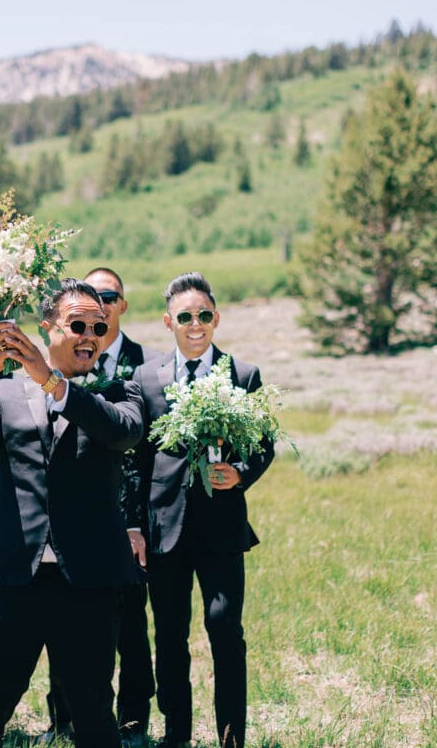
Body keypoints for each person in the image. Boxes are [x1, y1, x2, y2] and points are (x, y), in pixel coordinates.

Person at [0, 279, 145, 748]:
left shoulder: (121, 390)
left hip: (88, 583)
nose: (89, 335)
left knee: (94, 713)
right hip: (10, 577)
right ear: (47, 327)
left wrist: (51, 381)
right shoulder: (8, 391)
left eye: (98, 326)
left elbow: (122, 433)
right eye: (77, 324)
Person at [129, 272, 275, 748]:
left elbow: (264, 445)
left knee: (224, 628)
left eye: (205, 315)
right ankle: (177, 735)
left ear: (217, 318)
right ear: (168, 321)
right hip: (164, 529)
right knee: (169, 637)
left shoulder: (243, 374)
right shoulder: (146, 378)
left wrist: (240, 473)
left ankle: (232, 736)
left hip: (221, 529)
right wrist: (136, 524)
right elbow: (137, 460)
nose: (196, 325)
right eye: (186, 317)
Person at [40, 266, 161, 747]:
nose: (101, 307)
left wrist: (135, 521)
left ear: (121, 306)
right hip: (73, 518)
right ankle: (64, 718)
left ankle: (131, 721)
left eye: (109, 297)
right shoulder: (57, 359)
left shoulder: (141, 365)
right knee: (65, 623)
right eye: (92, 299)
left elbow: (143, 452)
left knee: (130, 625)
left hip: (127, 521)